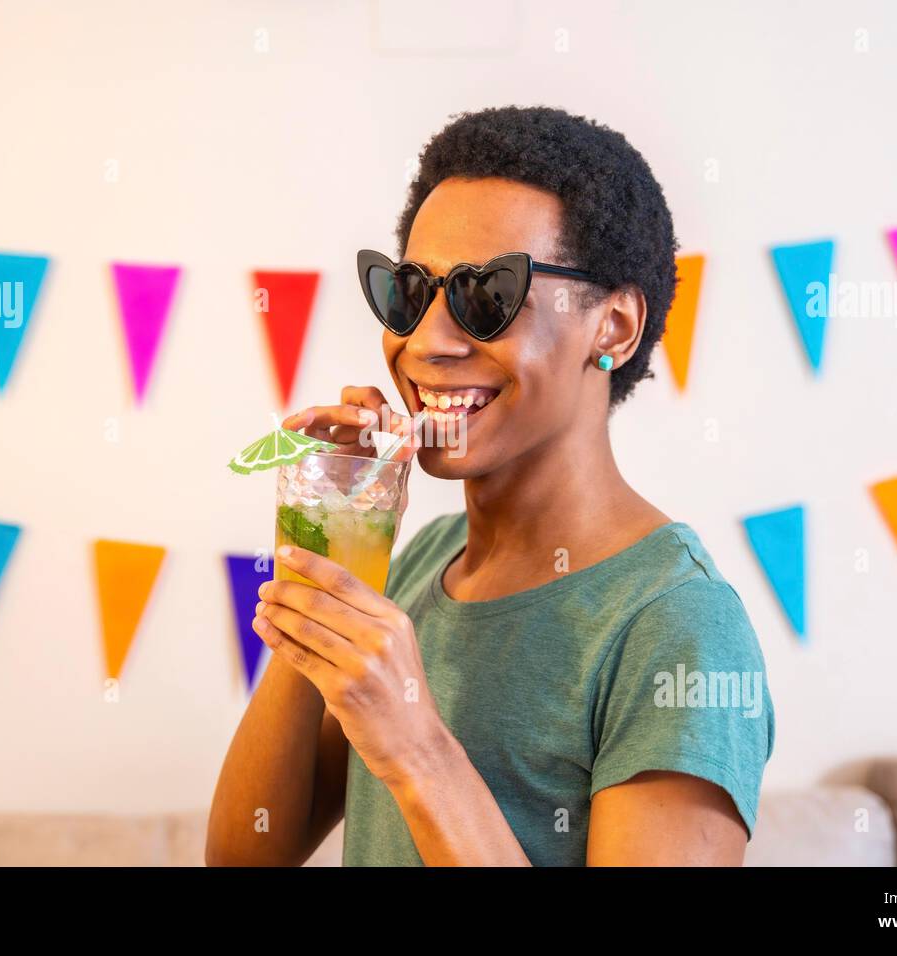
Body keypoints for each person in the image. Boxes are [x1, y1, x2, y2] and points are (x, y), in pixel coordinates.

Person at [208, 105, 775, 866]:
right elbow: (247, 856)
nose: (427, 342)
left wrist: (416, 748)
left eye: (486, 297)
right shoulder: (416, 565)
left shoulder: (679, 626)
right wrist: (323, 568)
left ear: (613, 327)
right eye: (410, 292)